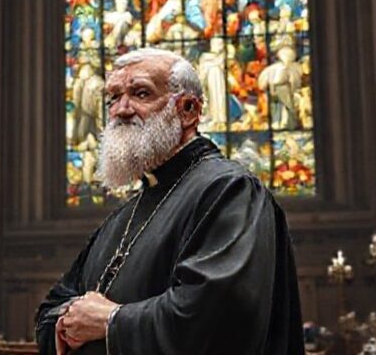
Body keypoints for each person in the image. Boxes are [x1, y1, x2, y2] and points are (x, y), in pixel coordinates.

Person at [35, 48, 304, 354]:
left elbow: (217, 318)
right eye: (113, 97)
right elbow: (49, 311)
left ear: (188, 109)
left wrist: (112, 322)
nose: (122, 109)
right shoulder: (125, 214)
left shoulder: (230, 191)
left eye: (140, 93)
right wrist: (68, 322)